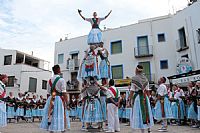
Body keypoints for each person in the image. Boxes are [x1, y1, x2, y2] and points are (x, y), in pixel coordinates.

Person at [40, 65, 68, 133]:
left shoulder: (49, 80)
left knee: (51, 113)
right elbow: (64, 92)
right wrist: (67, 101)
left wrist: (48, 102)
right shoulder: (61, 80)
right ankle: (61, 129)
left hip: (51, 98)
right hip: (59, 99)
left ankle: (51, 129)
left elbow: (48, 92)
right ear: (59, 70)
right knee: (60, 114)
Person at [128, 65, 154, 133]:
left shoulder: (134, 79)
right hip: (145, 97)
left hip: (138, 98)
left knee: (139, 113)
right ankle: (148, 129)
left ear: (136, 70)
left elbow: (132, 90)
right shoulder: (146, 79)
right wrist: (149, 98)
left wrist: (129, 100)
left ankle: (143, 130)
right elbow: (147, 90)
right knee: (146, 112)